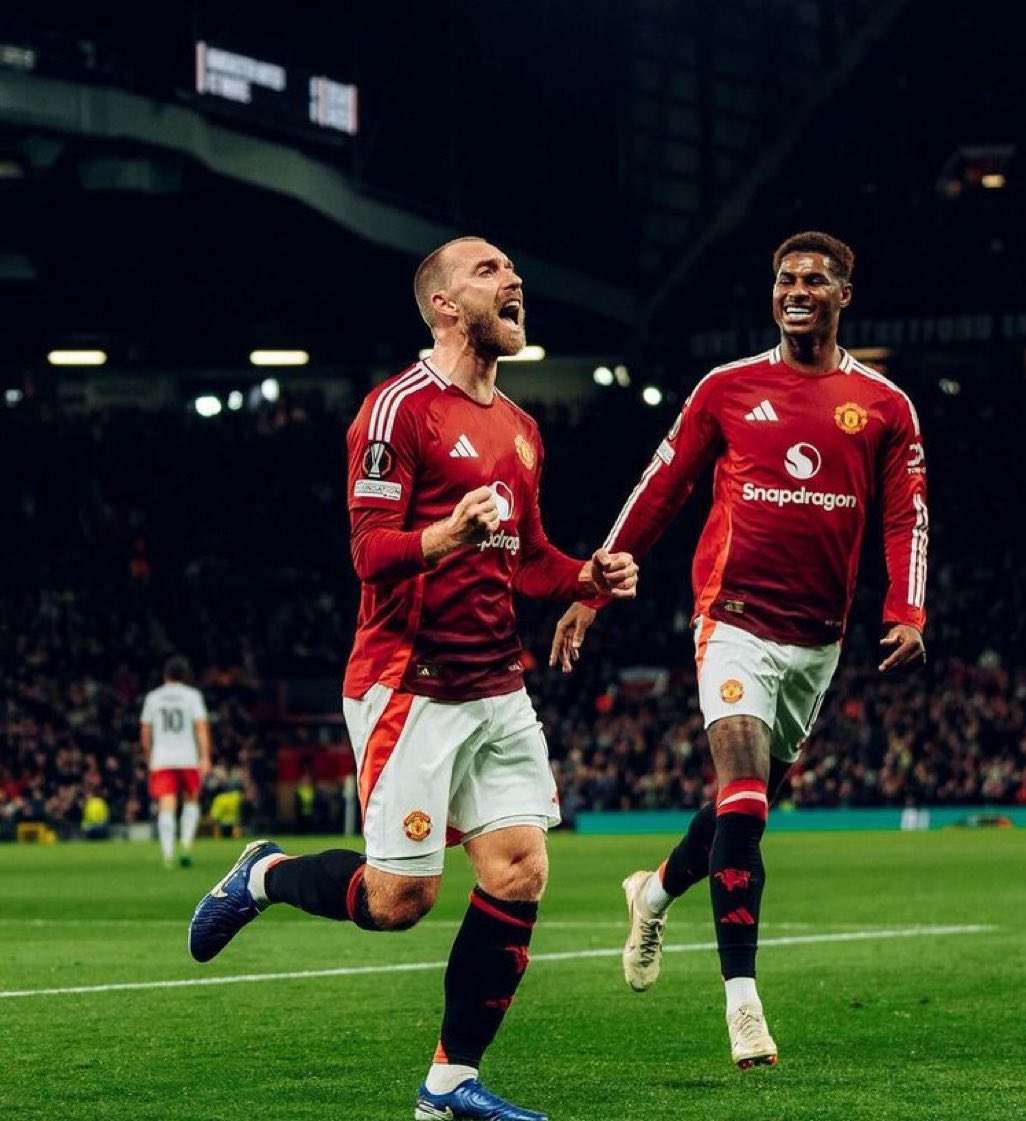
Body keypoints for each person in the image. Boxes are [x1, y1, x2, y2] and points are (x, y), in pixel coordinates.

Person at [188, 236, 638, 1121]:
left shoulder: (522, 428)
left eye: (514, 271)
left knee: (518, 871)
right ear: (443, 305)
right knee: (401, 901)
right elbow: (368, 553)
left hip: (497, 685)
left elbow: (530, 558)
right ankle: (263, 874)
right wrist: (446, 537)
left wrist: (587, 575)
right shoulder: (397, 410)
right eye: (488, 270)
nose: (513, 280)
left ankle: (448, 1083)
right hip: (410, 681)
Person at [549, 230, 928, 1069]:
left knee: (739, 809)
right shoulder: (727, 387)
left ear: (841, 296)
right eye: (786, 278)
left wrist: (908, 607)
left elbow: (907, 514)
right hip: (734, 620)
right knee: (746, 802)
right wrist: (591, 586)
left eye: (814, 280)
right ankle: (743, 1005)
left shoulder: (887, 405)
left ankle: (651, 893)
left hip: (817, 642)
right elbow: (662, 484)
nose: (797, 290)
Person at [140, 655, 212, 868]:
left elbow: (145, 730)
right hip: (188, 757)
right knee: (191, 801)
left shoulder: (153, 697)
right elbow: (201, 727)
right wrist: (205, 756)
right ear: (185, 675)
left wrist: (148, 755)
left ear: (165, 675)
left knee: (167, 805)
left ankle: (168, 854)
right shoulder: (192, 696)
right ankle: (186, 845)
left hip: (162, 758)